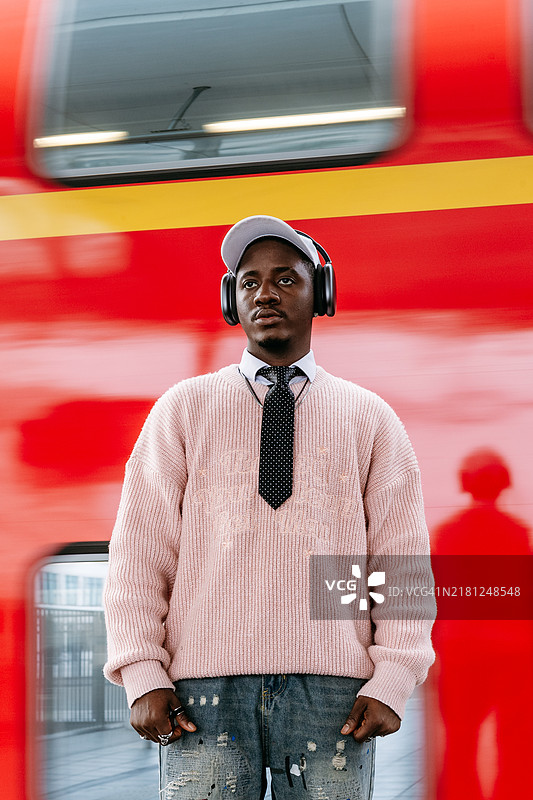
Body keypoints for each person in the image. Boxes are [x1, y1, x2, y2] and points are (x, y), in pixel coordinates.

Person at [103, 215, 435, 800]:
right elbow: (138, 553)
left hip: (334, 693)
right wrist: (141, 672)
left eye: (286, 279)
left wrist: (393, 677)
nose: (265, 294)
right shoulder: (182, 410)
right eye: (249, 282)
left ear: (320, 294)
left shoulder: (370, 418)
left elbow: (399, 561)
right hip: (199, 692)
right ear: (231, 301)